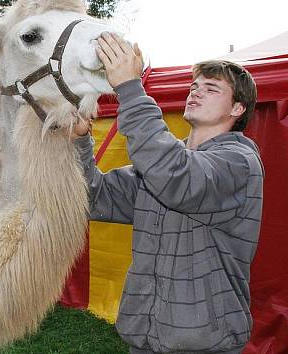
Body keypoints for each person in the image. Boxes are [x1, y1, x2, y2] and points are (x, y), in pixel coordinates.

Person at [72, 32, 263, 353]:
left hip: (205, 343)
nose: (196, 93)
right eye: (194, 86)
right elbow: (94, 197)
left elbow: (177, 179)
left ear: (238, 108)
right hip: (147, 336)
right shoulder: (163, 165)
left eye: (211, 88)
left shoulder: (239, 163)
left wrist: (130, 90)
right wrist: (79, 141)